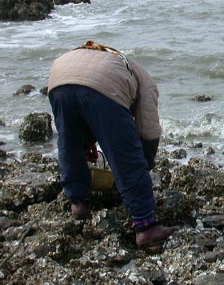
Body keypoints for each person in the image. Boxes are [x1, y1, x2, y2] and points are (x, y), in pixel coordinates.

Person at [48, 40, 178, 248]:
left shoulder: (112, 59)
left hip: (59, 76)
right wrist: (144, 164)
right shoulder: (146, 83)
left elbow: (80, 115)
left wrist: (86, 140)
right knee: (128, 157)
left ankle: (78, 203)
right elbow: (148, 131)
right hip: (102, 82)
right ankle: (145, 227)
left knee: (69, 143)